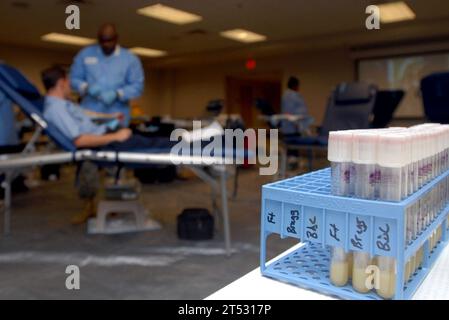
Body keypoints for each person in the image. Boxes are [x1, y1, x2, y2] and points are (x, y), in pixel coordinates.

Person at [70, 23, 144, 126]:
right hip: (90, 112)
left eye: (109, 40)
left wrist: (117, 94)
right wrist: (86, 87)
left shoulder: (130, 59)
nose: (105, 44)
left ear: (116, 38)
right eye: (102, 41)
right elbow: (73, 79)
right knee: (90, 140)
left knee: (115, 140)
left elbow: (137, 86)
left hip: (117, 114)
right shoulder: (85, 54)